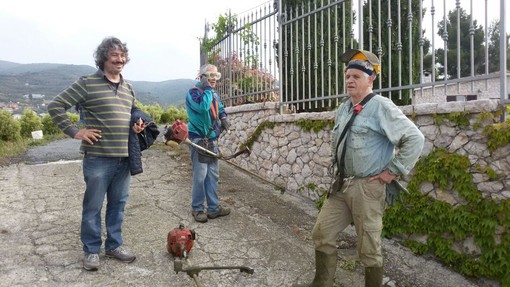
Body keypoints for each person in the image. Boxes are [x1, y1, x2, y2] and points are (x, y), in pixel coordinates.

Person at [298, 49, 425, 287]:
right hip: (342, 184)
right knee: (322, 233)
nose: (349, 80)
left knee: (368, 248)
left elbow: (415, 139)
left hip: (367, 189)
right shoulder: (344, 108)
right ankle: (321, 283)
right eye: (347, 76)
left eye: (356, 76)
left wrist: (392, 172)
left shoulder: (381, 107)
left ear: (371, 79)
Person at [47, 37, 145, 271]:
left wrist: (137, 123)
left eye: (122, 56)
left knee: (118, 204)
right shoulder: (87, 83)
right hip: (98, 158)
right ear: (103, 58)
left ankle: (113, 245)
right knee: (93, 206)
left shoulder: (127, 85)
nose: (120, 59)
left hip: (123, 158)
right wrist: (75, 132)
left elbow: (133, 110)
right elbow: (55, 106)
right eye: (114, 55)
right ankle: (91, 250)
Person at [185, 63, 231, 223]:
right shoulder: (193, 93)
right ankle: (197, 209)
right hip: (198, 138)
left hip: (212, 138)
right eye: (210, 76)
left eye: (216, 76)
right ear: (202, 77)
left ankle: (214, 208)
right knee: (200, 175)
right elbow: (204, 108)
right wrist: (207, 89)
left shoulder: (213, 93)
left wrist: (223, 117)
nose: (214, 79)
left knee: (213, 174)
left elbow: (219, 106)